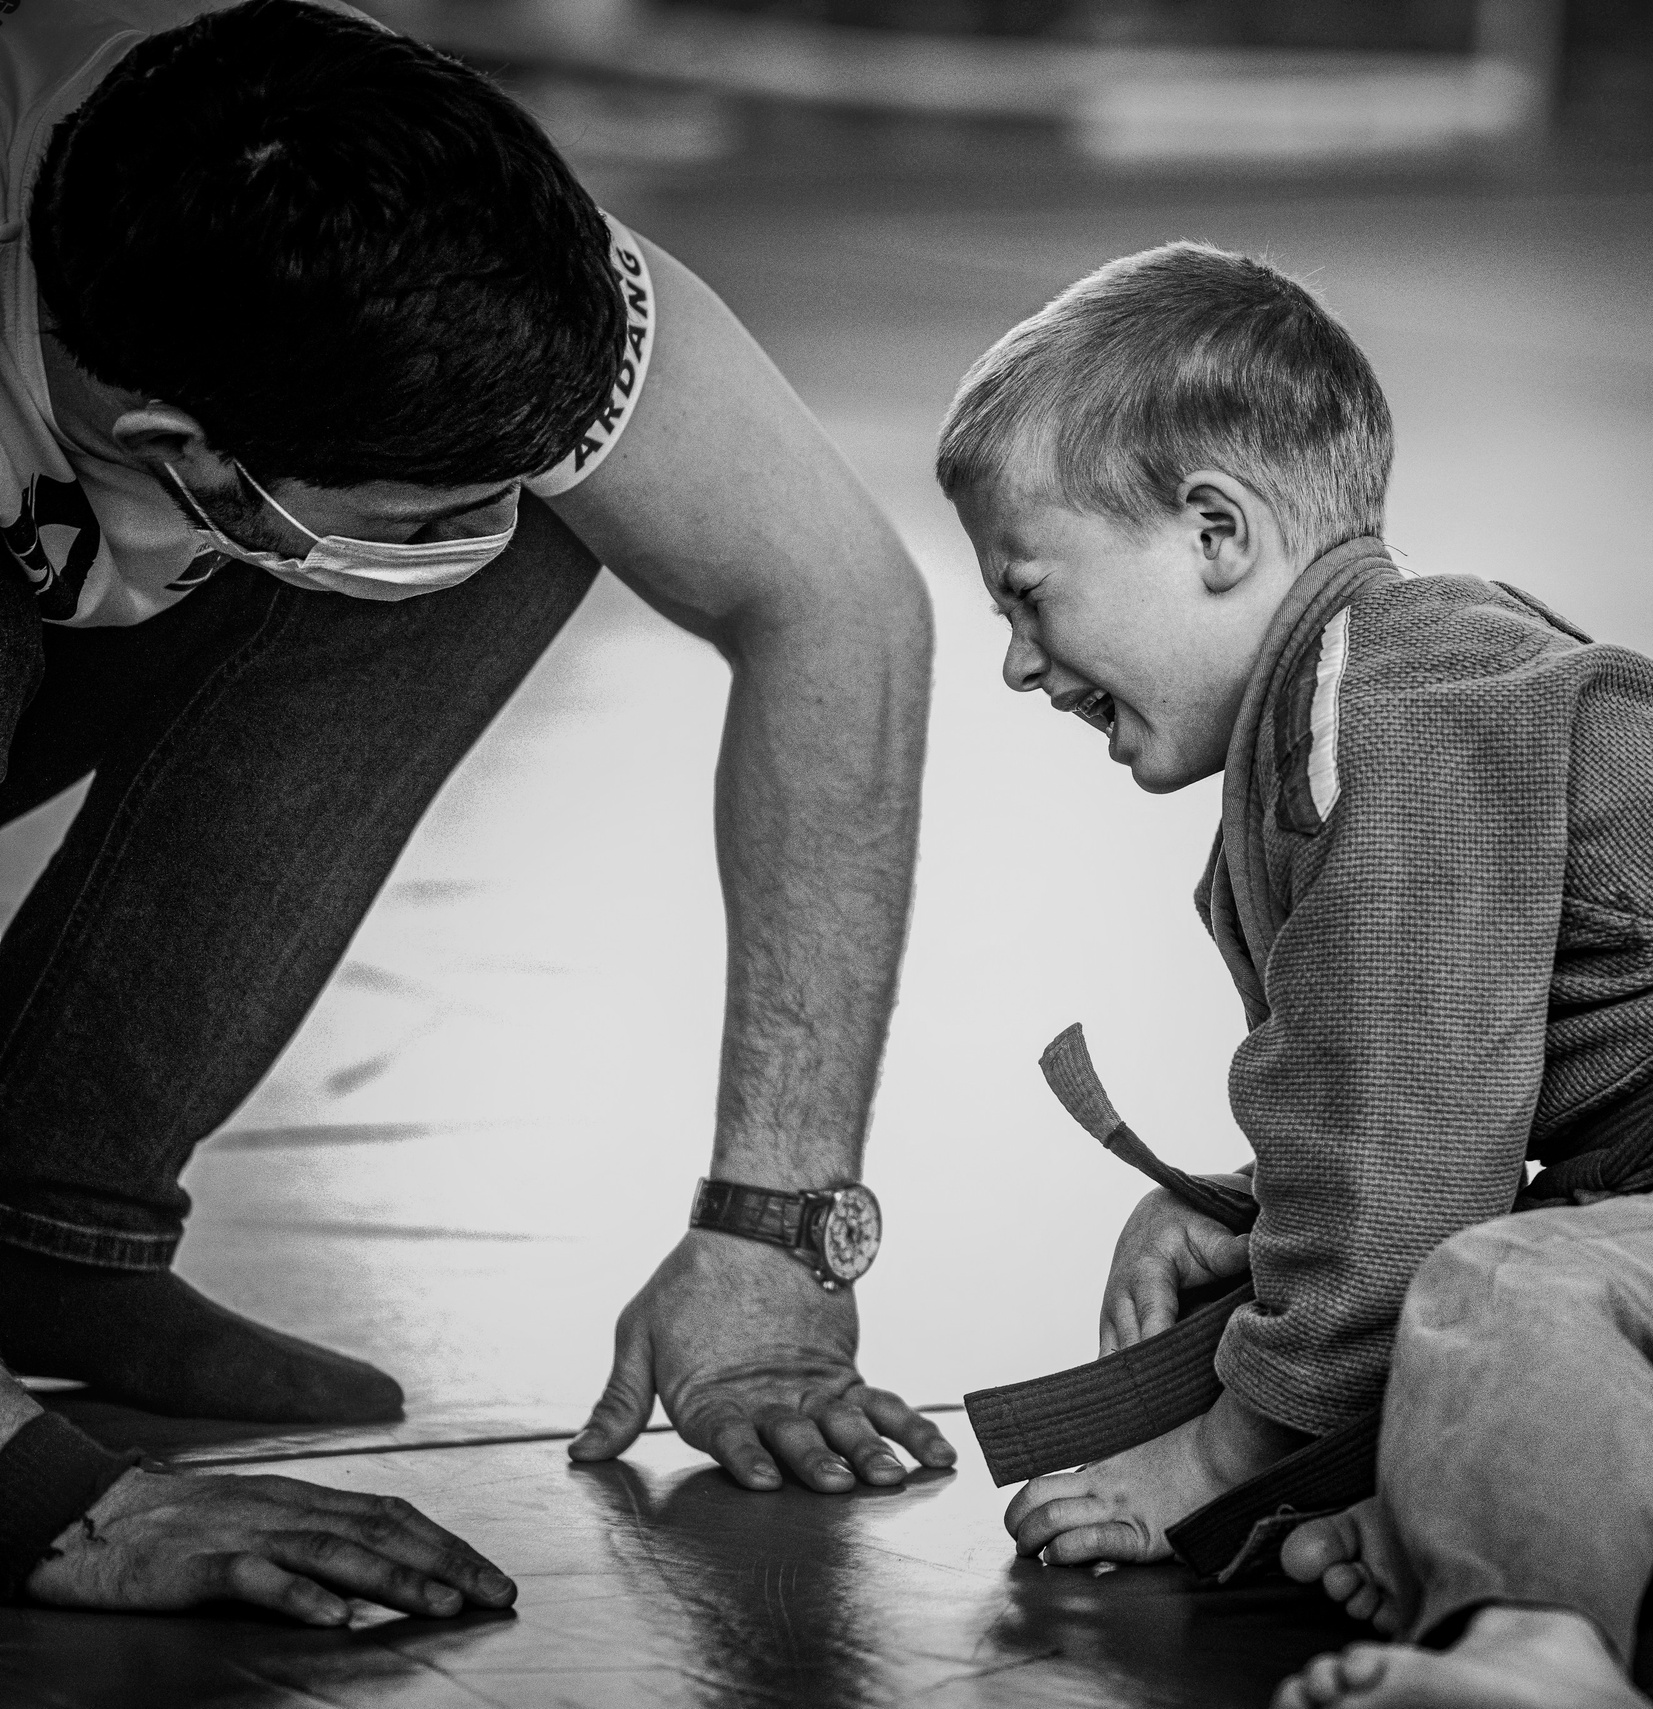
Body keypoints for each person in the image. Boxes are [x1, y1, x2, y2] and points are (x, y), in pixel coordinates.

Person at [936, 243, 1653, 1709]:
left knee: (1490, 1293)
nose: (1019, 667)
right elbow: (1401, 1098)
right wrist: (1246, 1211)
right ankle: (1481, 1530)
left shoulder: (1403, 703)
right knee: (1422, 1302)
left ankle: (1540, 1647)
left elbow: (1413, 1149)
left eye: (1029, 598)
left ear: (1217, 531)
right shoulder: (1335, 726)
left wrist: (1222, 1451)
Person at [0, 0, 948, 1614]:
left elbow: (841, 606)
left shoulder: (377, 192)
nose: (479, 520)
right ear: (183, 451)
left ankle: (45, 1218)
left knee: (549, 511)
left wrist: (773, 1232)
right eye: (427, 506)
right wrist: (44, 1503)